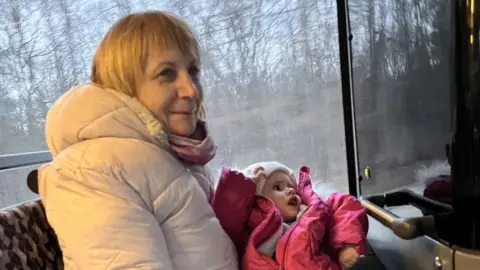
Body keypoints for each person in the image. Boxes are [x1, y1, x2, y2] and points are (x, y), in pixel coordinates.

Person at [36, 11, 238, 269]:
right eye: (167, 73)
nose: (191, 90)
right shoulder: (90, 170)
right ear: (124, 84)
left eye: (193, 70)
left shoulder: (177, 156)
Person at [212, 161, 368, 270]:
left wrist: (345, 245)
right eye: (278, 187)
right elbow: (226, 217)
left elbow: (346, 206)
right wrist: (246, 186)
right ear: (259, 200)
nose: (291, 190)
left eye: (291, 186)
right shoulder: (252, 227)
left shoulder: (314, 214)